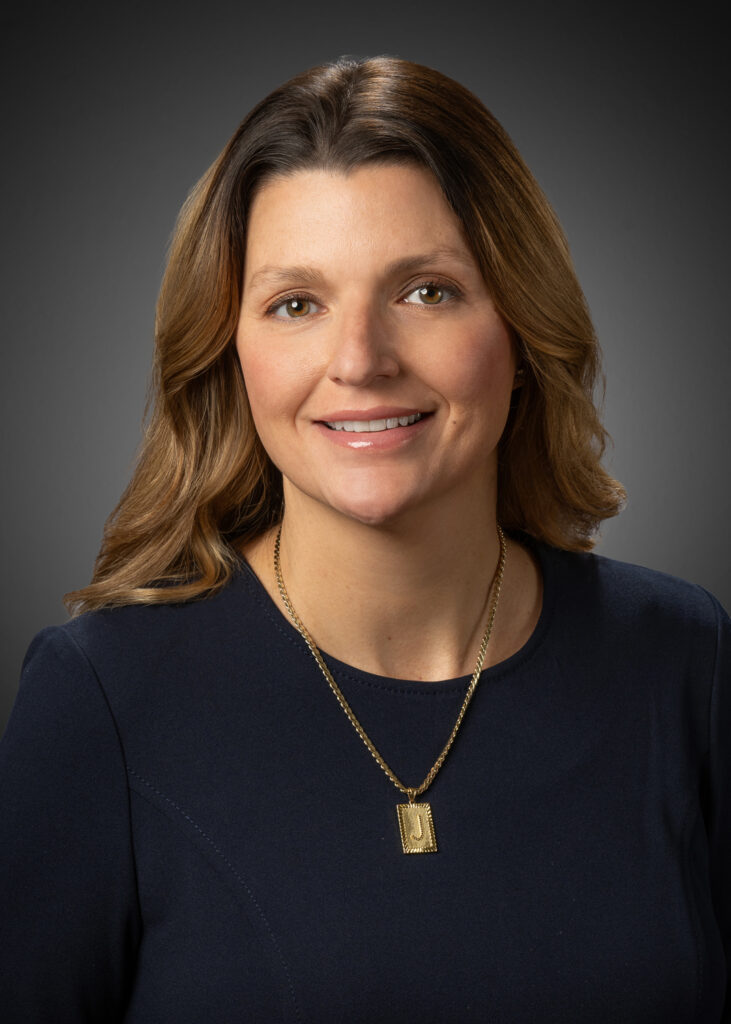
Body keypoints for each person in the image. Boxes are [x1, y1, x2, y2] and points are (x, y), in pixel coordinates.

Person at [0, 54, 728, 1023]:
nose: (358, 360)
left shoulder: (681, 660)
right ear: (229, 352)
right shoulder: (99, 703)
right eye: (295, 304)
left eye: (423, 291)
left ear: (517, 327)